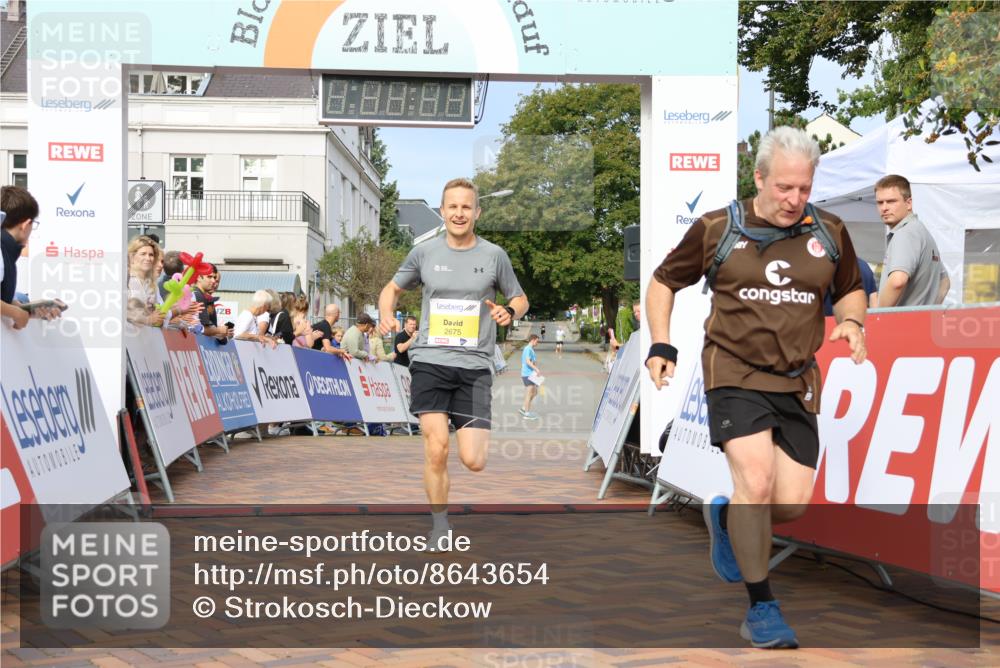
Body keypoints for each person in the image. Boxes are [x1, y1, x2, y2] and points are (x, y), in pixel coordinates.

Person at [645, 127, 867, 649]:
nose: (794, 200)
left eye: (804, 189)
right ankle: (762, 606)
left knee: (790, 503)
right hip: (733, 372)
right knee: (758, 485)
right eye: (785, 187)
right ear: (759, 178)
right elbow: (662, 281)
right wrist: (661, 344)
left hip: (795, 380)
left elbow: (852, 288)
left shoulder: (830, 232)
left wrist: (854, 323)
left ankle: (723, 514)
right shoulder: (718, 227)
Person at [377, 177, 528, 551]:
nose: (459, 213)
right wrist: (386, 312)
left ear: (477, 212)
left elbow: (520, 298)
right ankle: (440, 524)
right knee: (436, 446)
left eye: (466, 207)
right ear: (442, 211)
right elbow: (392, 289)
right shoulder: (424, 253)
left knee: (474, 460)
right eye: (452, 207)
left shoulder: (495, 256)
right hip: (430, 360)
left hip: (475, 366)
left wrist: (510, 311)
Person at [874, 174, 950, 307]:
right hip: (922, 323)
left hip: (902, 324)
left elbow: (898, 281)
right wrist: (928, 312)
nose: (884, 208)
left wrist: (879, 316)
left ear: (908, 203)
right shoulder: (921, 232)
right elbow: (945, 282)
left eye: (891, 201)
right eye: (880, 202)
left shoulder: (905, 233)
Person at [1, 186, 62, 328]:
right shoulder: (3, 250)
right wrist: (16, 314)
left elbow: (4, 299)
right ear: (26, 224)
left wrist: (29, 310)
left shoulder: (6, 250)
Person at [192, 263, 231, 339]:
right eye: (209, 277)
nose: (213, 281)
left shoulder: (200, 295)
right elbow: (202, 329)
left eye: (214, 277)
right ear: (199, 277)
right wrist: (219, 330)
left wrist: (220, 335)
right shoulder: (197, 295)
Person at [519, 334, 542, 420]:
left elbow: (533, 362)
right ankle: (526, 413)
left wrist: (536, 373)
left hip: (532, 374)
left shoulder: (531, 349)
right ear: (533, 340)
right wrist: (536, 369)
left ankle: (524, 408)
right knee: (529, 393)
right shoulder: (527, 349)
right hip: (527, 374)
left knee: (535, 392)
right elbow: (528, 362)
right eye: (537, 341)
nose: (537, 343)